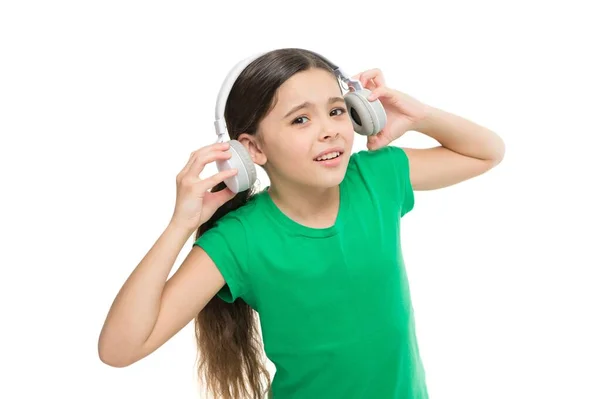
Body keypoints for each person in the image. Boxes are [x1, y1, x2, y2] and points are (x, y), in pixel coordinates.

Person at [98, 48, 505, 399]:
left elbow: (486, 153)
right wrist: (179, 226)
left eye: (336, 111)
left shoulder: (374, 179)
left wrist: (419, 116)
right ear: (252, 148)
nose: (329, 130)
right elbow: (120, 349)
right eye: (300, 120)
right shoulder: (240, 239)